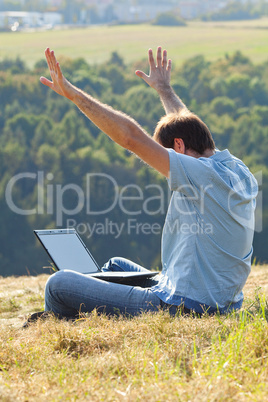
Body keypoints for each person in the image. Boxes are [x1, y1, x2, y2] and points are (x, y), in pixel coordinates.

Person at [25, 46, 258, 326]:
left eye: (165, 155)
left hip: (186, 305)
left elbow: (131, 138)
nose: (163, 166)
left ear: (179, 147)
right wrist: (165, 91)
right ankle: (96, 309)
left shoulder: (199, 175)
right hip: (216, 298)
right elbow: (188, 125)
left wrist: (74, 95)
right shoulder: (233, 169)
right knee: (115, 265)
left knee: (58, 284)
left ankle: (60, 325)